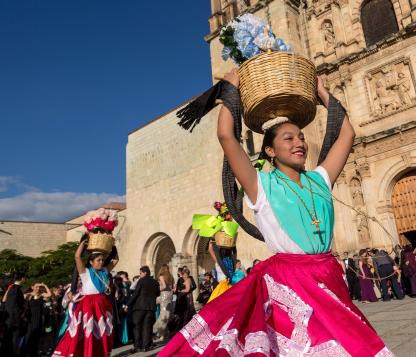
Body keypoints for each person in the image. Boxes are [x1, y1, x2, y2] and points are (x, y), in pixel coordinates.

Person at [159, 71, 392, 355]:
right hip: (290, 284)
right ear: (269, 150)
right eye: (288, 138)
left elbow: (348, 133)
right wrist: (231, 90)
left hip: (329, 277)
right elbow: (226, 136)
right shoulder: (261, 186)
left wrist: (321, 92)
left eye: (301, 137)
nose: (299, 143)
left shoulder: (320, 178)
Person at [52, 239, 118, 357]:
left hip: (103, 305)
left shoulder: (104, 271)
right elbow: (77, 257)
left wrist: (113, 246)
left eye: (102, 260)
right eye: (98, 260)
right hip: (89, 306)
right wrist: (83, 243)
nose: (101, 262)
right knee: (87, 332)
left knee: (102, 333)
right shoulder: (85, 272)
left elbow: (116, 259)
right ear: (91, 262)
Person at [127, 266, 160, 353]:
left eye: (140, 273)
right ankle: (146, 346)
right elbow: (157, 293)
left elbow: (136, 293)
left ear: (145, 272)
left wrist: (128, 304)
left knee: (137, 327)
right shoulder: (155, 282)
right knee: (147, 327)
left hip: (139, 307)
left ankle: (137, 346)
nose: (140, 275)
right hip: (150, 307)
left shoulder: (141, 280)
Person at [0, 272, 26, 357]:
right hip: (14, 319)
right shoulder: (16, 289)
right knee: (14, 339)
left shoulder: (11, 288)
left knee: (7, 339)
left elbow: (4, 301)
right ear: (22, 278)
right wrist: (20, 314)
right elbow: (17, 305)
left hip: (9, 319)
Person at [24, 283, 52, 357]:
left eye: (39, 287)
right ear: (32, 287)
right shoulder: (29, 295)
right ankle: (28, 352)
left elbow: (49, 294)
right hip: (31, 318)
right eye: (36, 287)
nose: (38, 288)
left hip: (38, 318)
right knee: (30, 335)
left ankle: (35, 352)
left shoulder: (41, 295)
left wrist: (45, 285)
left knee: (37, 336)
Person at [153, 264, 175, 339]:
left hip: (164, 294)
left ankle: (158, 331)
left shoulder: (161, 276)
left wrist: (157, 290)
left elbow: (164, 286)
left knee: (163, 314)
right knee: (166, 314)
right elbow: (172, 287)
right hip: (170, 294)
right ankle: (164, 333)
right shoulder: (171, 277)